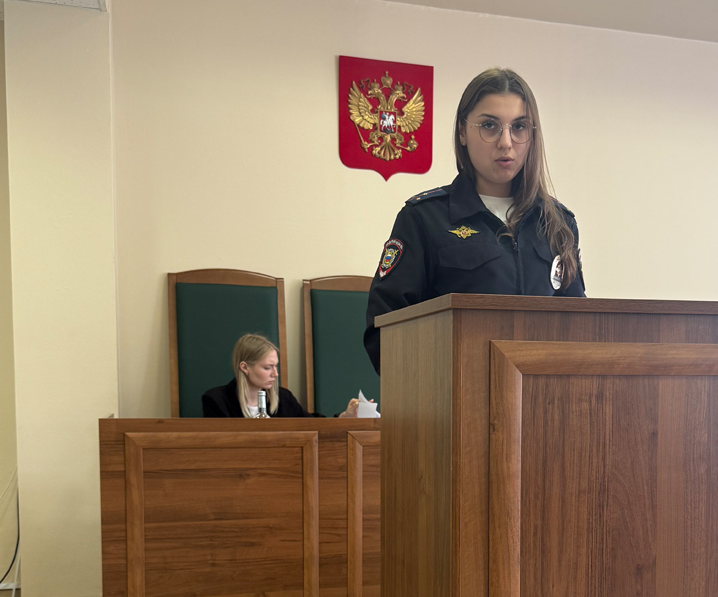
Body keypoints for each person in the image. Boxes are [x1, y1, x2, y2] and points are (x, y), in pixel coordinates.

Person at [363, 67, 586, 372]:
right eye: (489, 126)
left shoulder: (558, 223)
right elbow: (383, 334)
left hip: (540, 395)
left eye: (519, 127)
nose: (506, 142)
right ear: (462, 132)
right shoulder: (424, 218)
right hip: (452, 394)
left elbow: (578, 329)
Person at [202, 333, 361, 418]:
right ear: (244, 367)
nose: (275, 374)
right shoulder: (216, 400)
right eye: (267, 368)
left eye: (275, 366)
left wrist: (344, 417)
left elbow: (312, 425)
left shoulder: (283, 398)